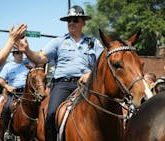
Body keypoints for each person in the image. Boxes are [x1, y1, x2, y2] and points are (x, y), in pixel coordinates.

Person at [18, 5, 104, 141]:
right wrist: (27, 51)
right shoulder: (58, 42)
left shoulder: (93, 43)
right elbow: (40, 58)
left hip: (89, 84)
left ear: (83, 23)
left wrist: (91, 74)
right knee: (51, 113)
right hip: (63, 85)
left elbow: (104, 63)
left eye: (75, 20)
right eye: (69, 20)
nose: (71, 23)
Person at [0, 48, 31, 136]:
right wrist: (7, 86)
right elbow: (1, 80)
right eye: (17, 53)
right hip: (14, 93)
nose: (20, 55)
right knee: (6, 107)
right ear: (13, 54)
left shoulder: (27, 64)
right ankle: (7, 130)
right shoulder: (8, 66)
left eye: (21, 53)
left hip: (26, 93)